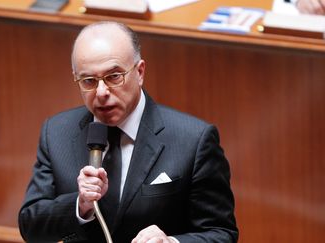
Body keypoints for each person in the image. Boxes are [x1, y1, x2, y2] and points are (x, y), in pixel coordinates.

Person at [18, 21, 238, 243]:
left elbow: (221, 234)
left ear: (140, 72)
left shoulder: (193, 140)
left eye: (114, 76)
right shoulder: (57, 133)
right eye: (89, 81)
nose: (101, 92)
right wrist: (81, 205)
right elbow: (30, 225)